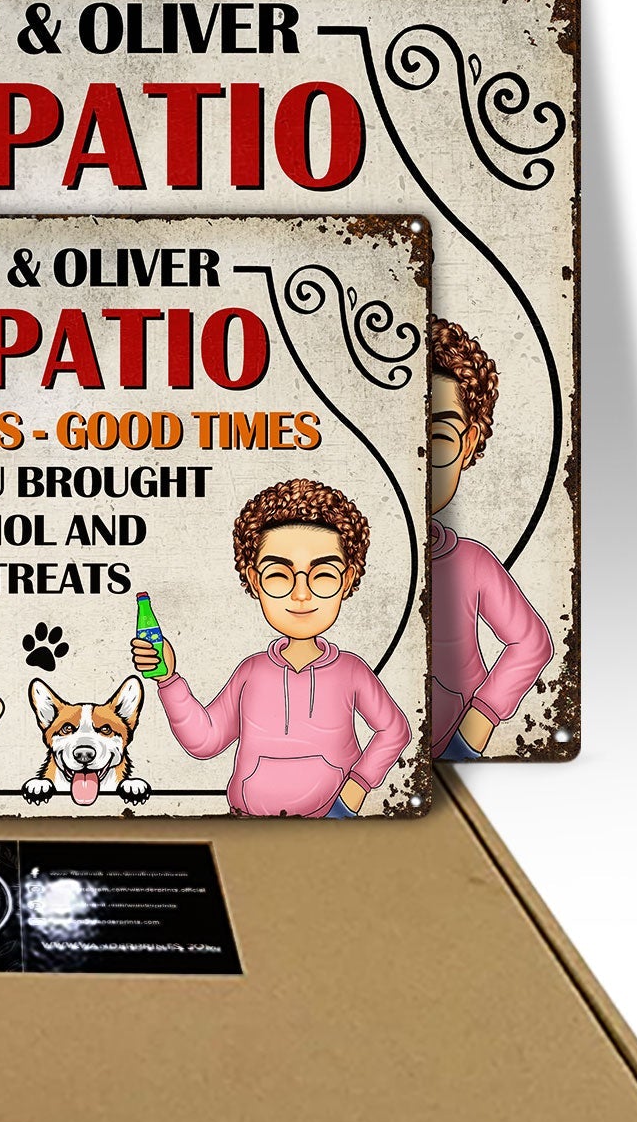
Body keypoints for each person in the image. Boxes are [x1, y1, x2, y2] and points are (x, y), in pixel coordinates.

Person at [132, 478, 410, 817]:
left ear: (348, 579)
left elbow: (394, 730)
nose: (301, 594)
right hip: (249, 825)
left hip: (332, 826)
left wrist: (357, 788)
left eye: (323, 575)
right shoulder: (252, 672)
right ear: (254, 580)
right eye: (279, 575)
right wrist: (169, 679)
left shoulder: (351, 671)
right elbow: (205, 742)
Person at [429, 317, 554, 760]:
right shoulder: (339, 558)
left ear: (468, 443)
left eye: (438, 436)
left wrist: (476, 725)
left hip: (451, 751)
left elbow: (531, 642)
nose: (418, 457)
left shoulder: (469, 562)